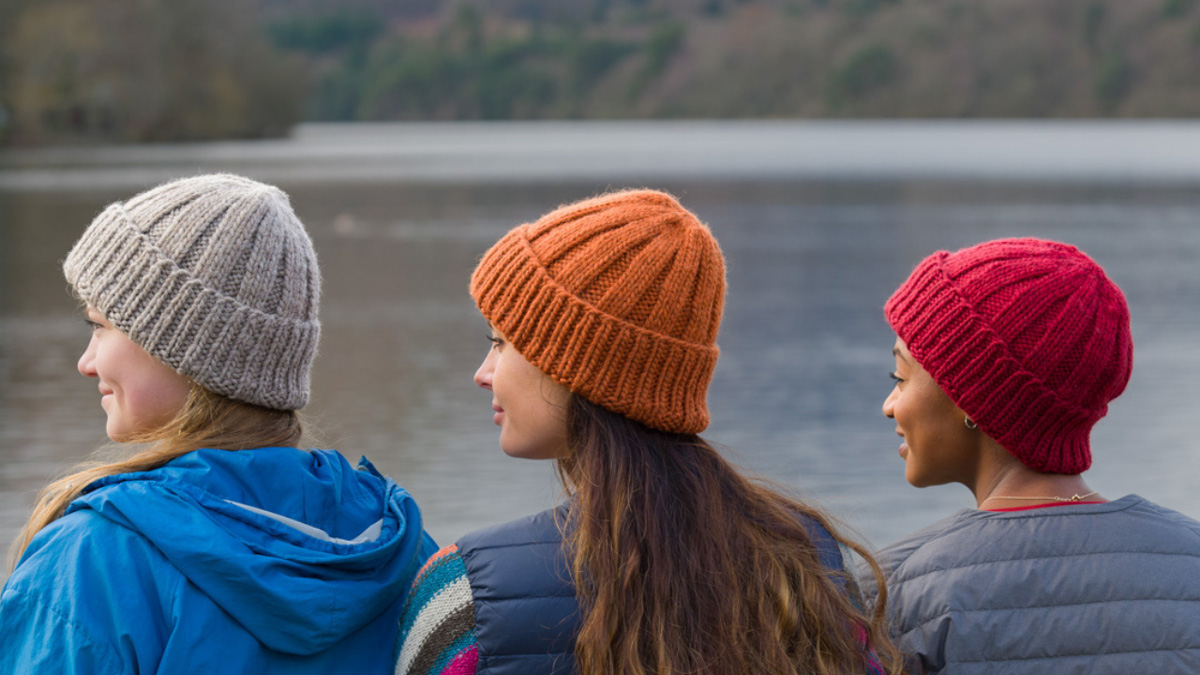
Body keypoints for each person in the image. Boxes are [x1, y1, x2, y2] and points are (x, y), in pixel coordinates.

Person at [394, 190, 905, 675]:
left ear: (576, 365)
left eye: (502, 343)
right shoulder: (807, 558)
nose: (483, 373)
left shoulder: (466, 595)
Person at [0, 174, 437, 674]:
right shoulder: (395, 545)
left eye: (100, 327)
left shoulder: (95, 561)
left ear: (182, 350)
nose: (87, 362)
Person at [864, 237, 1200, 673]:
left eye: (901, 377)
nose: (889, 405)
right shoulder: (1189, 559)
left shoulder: (895, 591)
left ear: (971, 397)